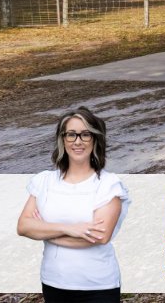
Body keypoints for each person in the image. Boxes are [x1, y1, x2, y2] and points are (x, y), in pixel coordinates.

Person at [16, 108, 130, 303]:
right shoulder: (43, 181)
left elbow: (99, 237)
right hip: (53, 283)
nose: (78, 141)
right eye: (71, 134)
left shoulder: (108, 185)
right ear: (62, 139)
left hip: (97, 287)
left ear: (95, 139)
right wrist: (70, 229)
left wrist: (45, 231)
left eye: (85, 134)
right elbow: (23, 226)